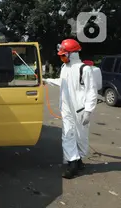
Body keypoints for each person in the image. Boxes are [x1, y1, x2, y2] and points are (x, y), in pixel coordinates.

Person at [43, 39, 98, 179]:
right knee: (67, 135)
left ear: (72, 54)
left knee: (81, 137)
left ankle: (78, 161)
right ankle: (72, 163)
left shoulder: (84, 69)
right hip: (66, 108)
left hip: (80, 109)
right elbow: (62, 82)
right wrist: (47, 80)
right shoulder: (64, 68)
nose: (61, 57)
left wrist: (88, 110)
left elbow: (91, 91)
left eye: (63, 54)